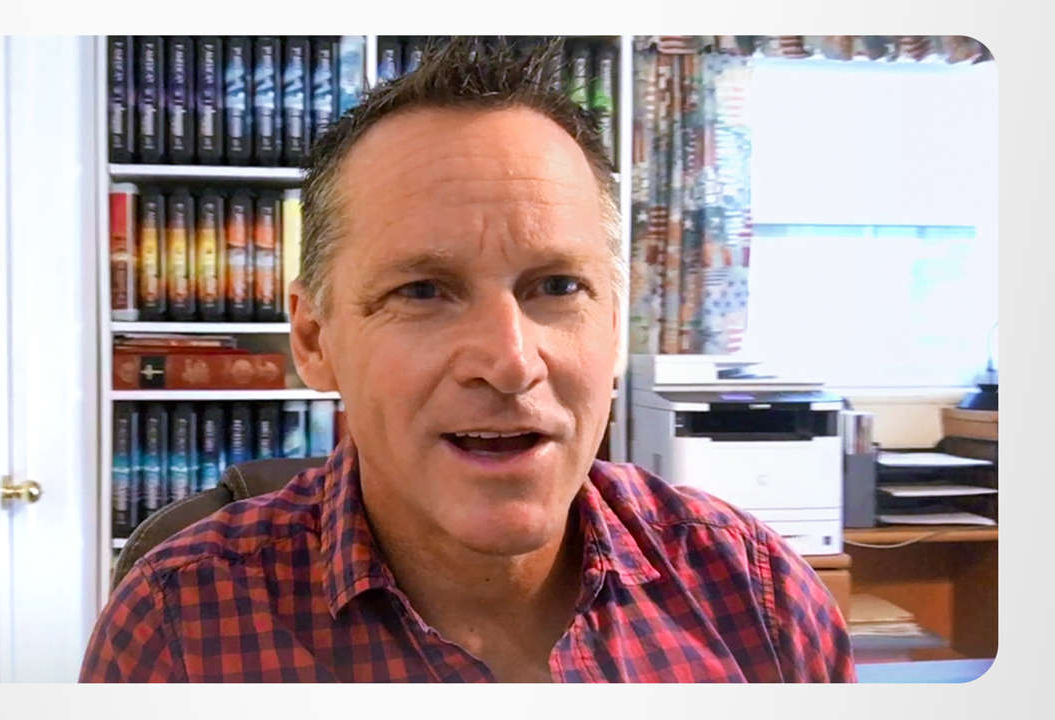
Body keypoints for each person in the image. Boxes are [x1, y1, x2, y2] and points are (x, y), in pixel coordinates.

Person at [80, 37, 854, 683]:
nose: (510, 363)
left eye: (558, 286)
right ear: (315, 341)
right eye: (423, 291)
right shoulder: (180, 630)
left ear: (615, 328)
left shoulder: (759, 599)